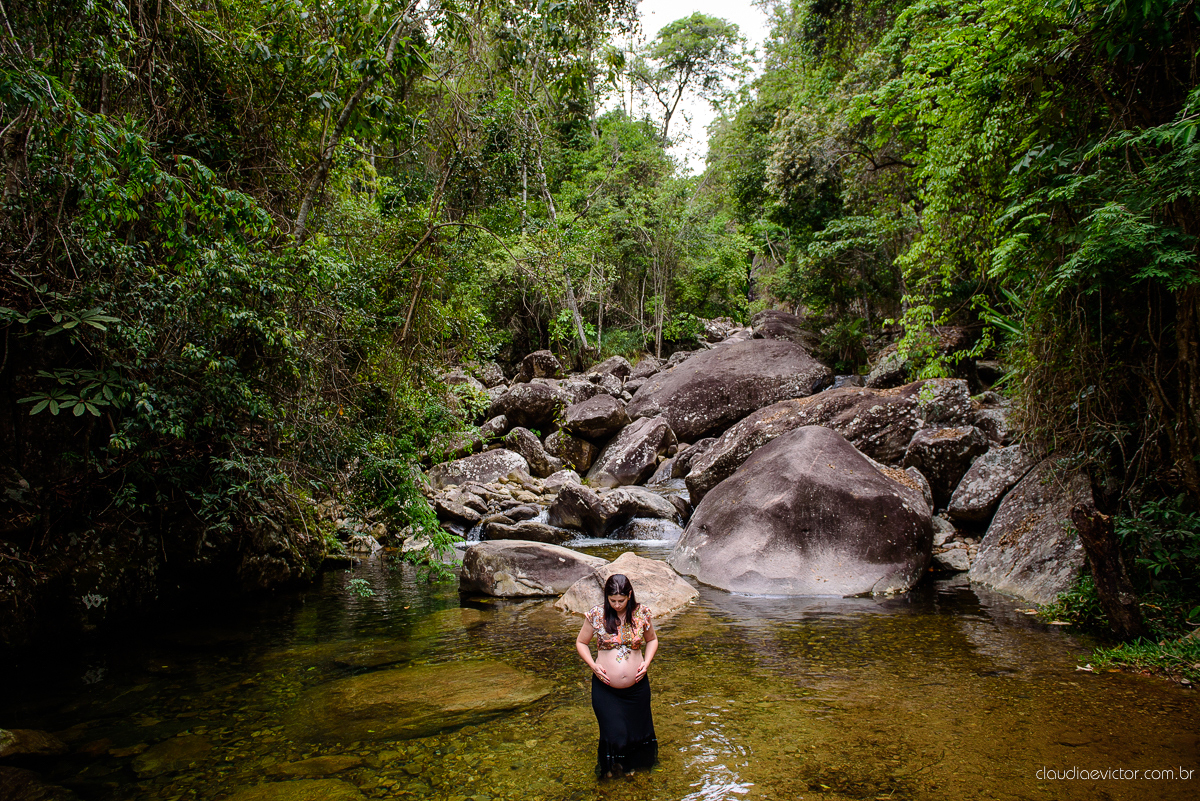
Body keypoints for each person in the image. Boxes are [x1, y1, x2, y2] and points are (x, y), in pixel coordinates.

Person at [575, 573, 659, 778]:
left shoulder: (641, 614)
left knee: (639, 731)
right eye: (612, 600)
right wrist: (593, 666)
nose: (617, 604)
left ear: (629, 595)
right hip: (605, 689)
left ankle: (638, 768)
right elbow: (581, 643)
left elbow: (653, 640)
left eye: (621, 600)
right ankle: (611, 771)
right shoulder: (596, 614)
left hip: (638, 688)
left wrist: (646, 663)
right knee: (615, 733)